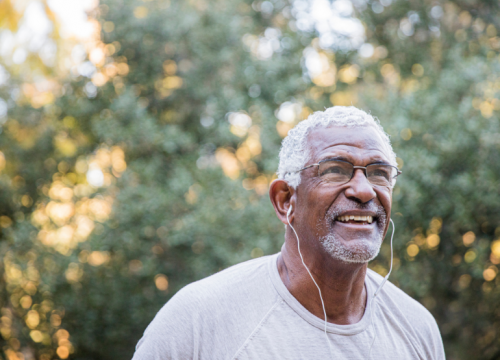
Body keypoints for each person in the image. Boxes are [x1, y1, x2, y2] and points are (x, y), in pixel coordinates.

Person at [132, 106, 445, 359]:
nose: (364, 190)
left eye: (379, 173)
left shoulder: (417, 329)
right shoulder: (200, 319)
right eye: (335, 170)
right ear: (285, 201)